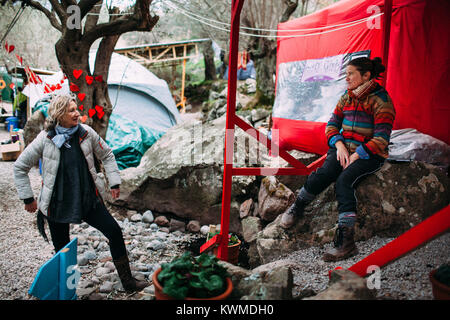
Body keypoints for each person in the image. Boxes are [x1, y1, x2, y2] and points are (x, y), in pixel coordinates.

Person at [14, 93, 148, 292]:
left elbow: (108, 155)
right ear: (60, 114)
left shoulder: (86, 133)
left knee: (114, 232)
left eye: (76, 109)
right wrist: (28, 198)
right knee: (64, 250)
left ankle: (128, 282)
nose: (77, 113)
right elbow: (20, 167)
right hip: (57, 203)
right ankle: (68, 292)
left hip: (87, 199)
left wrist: (114, 182)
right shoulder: (45, 138)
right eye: (71, 110)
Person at [279, 57, 396, 262]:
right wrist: (340, 145)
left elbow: (381, 138)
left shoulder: (381, 100)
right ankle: (297, 206)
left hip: (368, 154)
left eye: (351, 73)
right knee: (323, 174)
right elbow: (331, 125)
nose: (346, 78)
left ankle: (347, 243)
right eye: (346, 73)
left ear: (366, 75)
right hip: (343, 149)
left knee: (344, 182)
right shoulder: (347, 96)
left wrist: (357, 154)